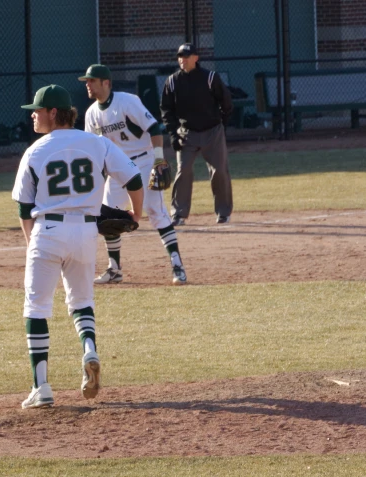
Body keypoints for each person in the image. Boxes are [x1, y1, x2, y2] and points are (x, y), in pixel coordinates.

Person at [12, 84, 144, 409]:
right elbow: (135, 179)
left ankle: (40, 386)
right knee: (82, 301)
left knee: (37, 306)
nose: (33, 116)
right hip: (86, 232)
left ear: (53, 113)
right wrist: (135, 215)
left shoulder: (35, 151)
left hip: (48, 229)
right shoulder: (97, 143)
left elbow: (23, 208)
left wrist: (34, 245)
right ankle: (89, 348)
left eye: (37, 111)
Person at [80, 64, 187, 285]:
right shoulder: (91, 114)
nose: (87, 85)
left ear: (106, 83)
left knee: (156, 212)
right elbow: (93, 150)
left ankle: (177, 265)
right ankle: (115, 270)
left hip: (143, 161)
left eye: (92, 80)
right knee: (108, 217)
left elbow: (154, 128)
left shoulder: (127, 101)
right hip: (115, 169)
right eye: (87, 81)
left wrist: (158, 158)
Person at [160, 43, 233, 225]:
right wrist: (173, 135)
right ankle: (178, 213)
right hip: (186, 133)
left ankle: (223, 212)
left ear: (196, 58)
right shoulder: (172, 81)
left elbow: (226, 101)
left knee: (219, 172)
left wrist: (222, 124)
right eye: (179, 57)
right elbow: (166, 109)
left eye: (186, 56)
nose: (182, 60)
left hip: (212, 131)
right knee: (183, 170)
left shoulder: (210, 78)